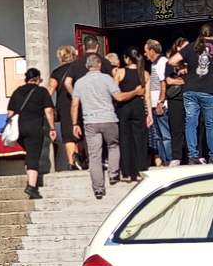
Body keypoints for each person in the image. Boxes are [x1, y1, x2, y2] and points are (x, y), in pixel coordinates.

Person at [170, 24, 213, 163]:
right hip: (209, 90)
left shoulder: (192, 46)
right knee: (211, 124)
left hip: (190, 89)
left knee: (191, 123)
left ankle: (192, 155)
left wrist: (184, 67)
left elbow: (172, 60)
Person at [71, 54, 122, 198]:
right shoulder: (107, 79)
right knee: (113, 146)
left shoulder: (80, 82)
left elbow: (75, 104)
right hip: (108, 118)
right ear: (99, 65)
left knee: (94, 155)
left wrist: (74, 123)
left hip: (90, 121)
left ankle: (98, 188)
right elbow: (117, 96)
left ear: (87, 66)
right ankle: (113, 174)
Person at [6, 68, 56, 198]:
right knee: (33, 156)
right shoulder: (42, 91)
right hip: (34, 127)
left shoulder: (17, 91)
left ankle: (30, 180)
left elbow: (10, 113)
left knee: (29, 153)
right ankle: (32, 187)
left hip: (19, 129)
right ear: (38, 79)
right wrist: (52, 128)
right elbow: (49, 110)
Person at [114, 47, 151, 181]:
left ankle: (128, 172)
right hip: (139, 108)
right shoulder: (145, 73)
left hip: (123, 109)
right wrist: (149, 114)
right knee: (140, 140)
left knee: (125, 139)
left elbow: (115, 93)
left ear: (127, 59)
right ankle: (141, 169)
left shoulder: (120, 72)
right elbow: (147, 96)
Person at [50, 45, 82, 171]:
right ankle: (82, 160)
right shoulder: (80, 69)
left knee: (69, 136)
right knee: (81, 134)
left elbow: (50, 90)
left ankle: (72, 163)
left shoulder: (57, 72)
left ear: (60, 57)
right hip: (81, 104)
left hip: (65, 107)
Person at [144, 39, 172, 166]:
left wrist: (161, 101)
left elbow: (163, 83)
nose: (145, 54)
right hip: (154, 104)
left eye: (146, 51)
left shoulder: (162, 62)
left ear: (152, 50)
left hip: (160, 104)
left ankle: (169, 160)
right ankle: (163, 160)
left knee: (165, 135)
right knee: (158, 136)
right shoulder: (154, 64)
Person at [166, 37, 189, 166]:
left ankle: (192, 155)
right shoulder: (170, 63)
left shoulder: (191, 60)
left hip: (190, 97)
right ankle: (176, 156)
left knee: (191, 127)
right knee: (176, 128)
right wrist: (184, 80)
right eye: (183, 47)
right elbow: (169, 80)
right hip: (175, 99)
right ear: (177, 48)